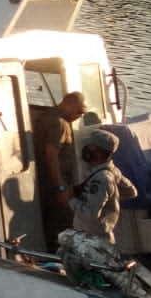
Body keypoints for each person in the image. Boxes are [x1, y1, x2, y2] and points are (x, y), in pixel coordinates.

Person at [34, 92, 87, 249]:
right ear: (67, 104)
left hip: (45, 180)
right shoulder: (60, 123)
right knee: (62, 223)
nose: (80, 116)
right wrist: (61, 187)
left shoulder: (47, 116)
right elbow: (52, 155)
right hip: (53, 182)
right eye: (79, 112)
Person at [71, 129, 138, 243]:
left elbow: (90, 215)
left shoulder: (101, 179)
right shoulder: (113, 171)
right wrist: (109, 197)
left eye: (90, 147)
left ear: (100, 153)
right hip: (100, 236)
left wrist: (71, 199)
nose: (86, 149)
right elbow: (131, 191)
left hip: (92, 240)